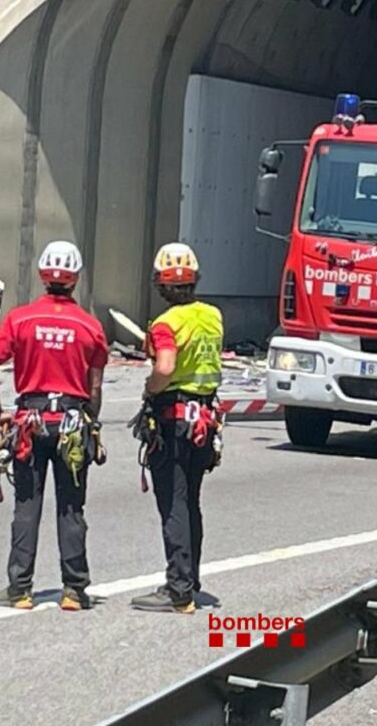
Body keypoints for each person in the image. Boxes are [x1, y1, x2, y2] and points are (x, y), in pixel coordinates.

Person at [0, 241, 108, 612]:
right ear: (76, 278)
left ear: (42, 275)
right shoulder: (90, 326)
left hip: (30, 422)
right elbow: (95, 385)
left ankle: (20, 589)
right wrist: (92, 422)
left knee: (26, 505)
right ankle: (74, 590)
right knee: (71, 507)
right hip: (71, 422)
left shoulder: (20, 319)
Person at [130, 243, 224, 615]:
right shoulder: (213, 316)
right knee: (191, 502)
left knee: (173, 504)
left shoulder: (166, 324)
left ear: (160, 284)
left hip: (174, 421)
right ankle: (190, 578)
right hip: (204, 419)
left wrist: (149, 389)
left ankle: (178, 589)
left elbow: (166, 367)